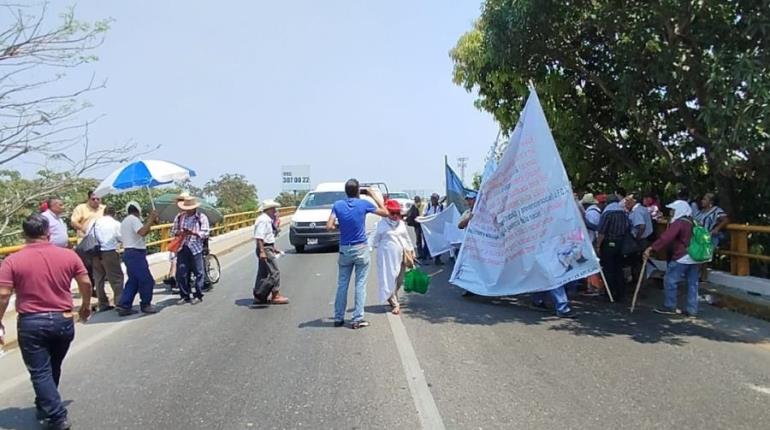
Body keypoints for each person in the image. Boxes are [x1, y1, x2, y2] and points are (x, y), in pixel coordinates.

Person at [0, 214, 92, 430]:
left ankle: (57, 416)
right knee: (52, 366)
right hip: (63, 319)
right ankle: (45, 403)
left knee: (40, 371)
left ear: (24, 235)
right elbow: (86, 282)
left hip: (32, 322)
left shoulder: (12, 260)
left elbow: (3, 295)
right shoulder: (68, 255)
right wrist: (86, 306)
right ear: (48, 232)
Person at [327, 179, 388, 329]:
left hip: (344, 248)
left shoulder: (338, 205)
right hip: (360, 247)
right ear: (358, 191)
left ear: (345, 191)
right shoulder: (363, 204)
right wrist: (372, 195)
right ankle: (357, 318)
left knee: (342, 284)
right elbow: (385, 212)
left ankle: (338, 317)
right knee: (360, 284)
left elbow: (329, 226)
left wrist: (340, 227)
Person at [644, 201, 701, 317]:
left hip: (682, 256)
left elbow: (666, 238)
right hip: (695, 256)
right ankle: (692, 309)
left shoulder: (679, 222)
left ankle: (670, 306)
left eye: (673, 210)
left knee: (670, 280)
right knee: (693, 283)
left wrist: (652, 248)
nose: (671, 212)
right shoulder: (693, 221)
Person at [117, 202, 159, 316]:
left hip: (129, 252)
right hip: (136, 253)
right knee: (146, 280)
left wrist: (151, 222)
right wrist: (150, 219)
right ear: (138, 210)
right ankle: (146, 304)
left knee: (133, 281)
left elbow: (141, 232)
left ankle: (124, 305)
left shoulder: (125, 221)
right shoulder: (134, 220)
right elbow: (142, 232)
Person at [373, 199, 414, 315]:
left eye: (397, 213)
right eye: (392, 213)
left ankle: (392, 296)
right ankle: (395, 303)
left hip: (402, 254)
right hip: (387, 256)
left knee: (399, 279)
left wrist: (411, 251)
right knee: (389, 278)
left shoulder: (401, 224)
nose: (395, 216)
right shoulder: (381, 225)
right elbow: (375, 241)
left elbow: (406, 238)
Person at [171, 196, 210, 305]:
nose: (188, 210)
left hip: (195, 247)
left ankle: (198, 294)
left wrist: (193, 233)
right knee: (182, 273)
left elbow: (206, 233)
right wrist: (181, 232)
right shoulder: (179, 217)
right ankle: (185, 295)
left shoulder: (201, 217)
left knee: (198, 272)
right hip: (182, 247)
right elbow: (173, 231)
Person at [252, 199, 289, 305]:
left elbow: (267, 237)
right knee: (274, 272)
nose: (275, 211)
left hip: (266, 248)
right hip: (264, 248)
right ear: (268, 209)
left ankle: (259, 296)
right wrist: (263, 251)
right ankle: (275, 295)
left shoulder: (266, 219)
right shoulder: (264, 220)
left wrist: (273, 248)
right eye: (273, 209)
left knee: (263, 273)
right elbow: (259, 237)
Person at [596, 194, 630, 302]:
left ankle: (609, 293)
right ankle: (621, 292)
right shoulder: (623, 213)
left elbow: (602, 231)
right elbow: (628, 227)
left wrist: (597, 245)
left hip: (609, 243)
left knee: (609, 269)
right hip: (621, 243)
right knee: (618, 268)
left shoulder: (608, 213)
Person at [70, 191, 105, 291]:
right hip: (85, 241)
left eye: (98, 199)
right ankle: (90, 289)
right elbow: (73, 222)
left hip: (100, 241)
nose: (96, 201)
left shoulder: (103, 208)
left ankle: (99, 290)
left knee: (100, 266)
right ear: (88, 199)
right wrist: (86, 230)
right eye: (93, 199)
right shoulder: (81, 208)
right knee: (88, 267)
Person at [92, 206, 124, 312]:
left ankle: (103, 303)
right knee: (116, 278)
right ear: (114, 214)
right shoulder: (115, 224)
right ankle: (119, 302)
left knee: (99, 278)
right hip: (109, 251)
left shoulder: (94, 222)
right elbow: (121, 237)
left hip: (95, 253)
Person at [626, 192, 654, 286]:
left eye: (627, 200)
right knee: (640, 261)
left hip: (640, 239)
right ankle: (640, 281)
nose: (625, 202)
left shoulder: (637, 211)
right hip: (644, 238)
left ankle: (638, 282)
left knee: (637, 261)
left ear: (634, 201)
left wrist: (637, 238)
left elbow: (641, 226)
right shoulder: (642, 209)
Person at [423, 193, 444, 265]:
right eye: (432, 198)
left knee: (438, 243)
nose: (433, 200)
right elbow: (424, 215)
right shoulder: (428, 206)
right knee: (427, 243)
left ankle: (438, 259)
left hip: (437, 228)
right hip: (429, 228)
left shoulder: (441, 207)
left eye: (434, 198)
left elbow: (443, 215)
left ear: (437, 199)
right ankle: (425, 259)